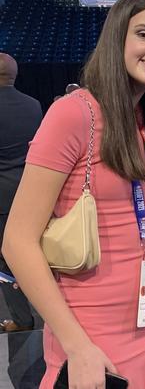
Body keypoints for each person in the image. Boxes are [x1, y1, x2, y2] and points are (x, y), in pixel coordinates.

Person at [3, 0, 145, 389]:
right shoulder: (74, 113)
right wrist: (77, 345)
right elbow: (17, 240)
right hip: (91, 337)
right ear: (117, 37)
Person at [0, 53, 42, 334]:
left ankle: (21, 319)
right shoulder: (33, 105)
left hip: (1, 201)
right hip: (31, 193)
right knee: (35, 253)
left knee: (6, 260)